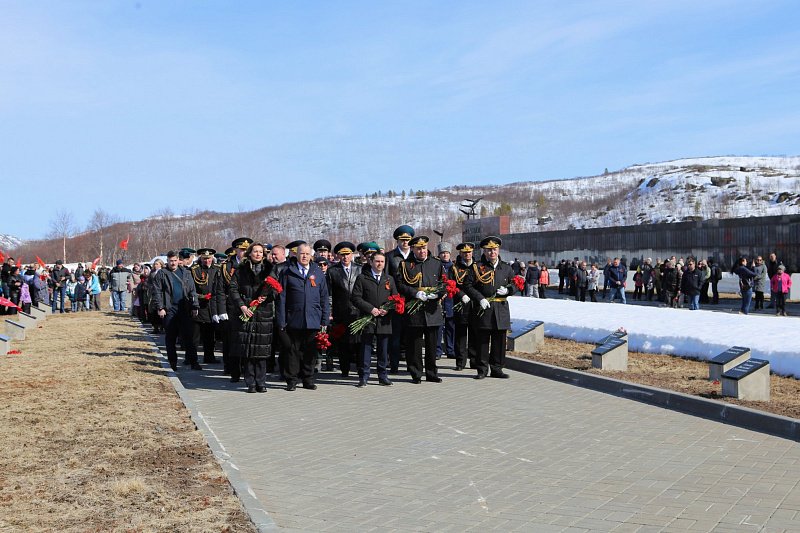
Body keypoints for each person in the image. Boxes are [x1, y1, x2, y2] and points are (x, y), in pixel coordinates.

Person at [276, 243, 330, 391]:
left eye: (307, 254)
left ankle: (308, 379)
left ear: (311, 255)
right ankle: (292, 380)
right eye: (301, 253)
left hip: (313, 319)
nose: (304, 256)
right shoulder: (287, 272)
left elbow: (324, 297)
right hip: (294, 318)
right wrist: (281, 320)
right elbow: (281, 298)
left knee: (310, 352)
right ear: (296, 255)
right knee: (292, 351)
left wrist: (325, 319)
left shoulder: (317, 272)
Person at [463, 236, 516, 380]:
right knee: (482, 341)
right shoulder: (476, 267)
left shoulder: (506, 267)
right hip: (484, 308)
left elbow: (515, 283)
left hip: (501, 308)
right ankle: (482, 369)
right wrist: (479, 298)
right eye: (489, 250)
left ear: (498, 250)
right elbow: (467, 285)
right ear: (484, 252)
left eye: (495, 249)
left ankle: (497, 369)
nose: (492, 252)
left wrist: (509, 290)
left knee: (499, 341)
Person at [229, 243, 280, 393]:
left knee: (261, 351)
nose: (258, 254)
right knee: (248, 350)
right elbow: (233, 289)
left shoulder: (270, 269)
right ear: (249, 253)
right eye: (255, 251)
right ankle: (250, 383)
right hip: (247, 311)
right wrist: (242, 306)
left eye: (260, 252)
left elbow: (276, 289)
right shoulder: (241, 269)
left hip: (263, 313)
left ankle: (261, 382)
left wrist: (267, 296)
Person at [396, 235, 445, 383]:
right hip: (414, 311)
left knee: (432, 345)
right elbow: (400, 284)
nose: (422, 251)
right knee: (414, 345)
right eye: (418, 249)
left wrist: (437, 294)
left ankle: (431, 373)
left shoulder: (436, 263)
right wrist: (415, 293)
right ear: (413, 249)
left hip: (432, 309)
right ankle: (416, 373)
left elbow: (445, 283)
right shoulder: (405, 265)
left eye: (424, 248)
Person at [350, 251, 398, 387]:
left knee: (383, 349)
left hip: (384, 319)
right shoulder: (362, 278)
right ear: (371, 262)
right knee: (366, 348)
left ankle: (382, 376)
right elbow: (356, 298)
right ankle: (364, 376)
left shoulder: (389, 279)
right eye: (377, 261)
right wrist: (370, 309)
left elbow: (395, 297)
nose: (379, 264)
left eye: (382, 262)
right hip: (368, 318)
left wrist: (387, 308)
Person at [151, 251, 201, 371]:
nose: (173, 263)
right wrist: (160, 307)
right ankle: (172, 362)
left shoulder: (186, 273)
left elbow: (192, 290)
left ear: (178, 260)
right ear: (167, 261)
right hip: (169, 309)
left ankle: (193, 361)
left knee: (189, 337)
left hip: (184, 308)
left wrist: (195, 306)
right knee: (171, 337)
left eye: (174, 260)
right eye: (170, 261)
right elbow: (157, 292)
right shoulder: (162, 273)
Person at [326, 241, 362, 377]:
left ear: (352, 254)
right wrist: (330, 311)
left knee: (359, 342)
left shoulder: (360, 269)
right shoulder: (332, 271)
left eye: (348, 254)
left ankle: (360, 368)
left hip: (358, 311)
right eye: (342, 254)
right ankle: (344, 369)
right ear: (338, 255)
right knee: (343, 343)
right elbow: (329, 294)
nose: (345, 257)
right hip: (341, 312)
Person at [385, 225, 414, 374]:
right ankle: (394, 365)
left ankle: (412, 365)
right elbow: (386, 279)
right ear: (397, 240)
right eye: (402, 240)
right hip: (396, 300)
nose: (405, 242)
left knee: (411, 335)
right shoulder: (390, 256)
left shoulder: (415, 256)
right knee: (395, 335)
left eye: (408, 240)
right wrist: (391, 298)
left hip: (413, 300)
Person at [191, 248, 221, 365]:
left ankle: (209, 356)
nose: (207, 261)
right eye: (204, 259)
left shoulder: (217, 268)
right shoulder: (195, 270)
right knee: (196, 335)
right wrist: (201, 297)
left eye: (209, 258)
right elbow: (191, 289)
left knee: (210, 334)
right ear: (201, 258)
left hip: (213, 306)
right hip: (200, 305)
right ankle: (192, 358)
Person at [451, 242, 477, 371]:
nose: (467, 254)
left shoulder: (478, 267)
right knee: (460, 335)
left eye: (469, 252)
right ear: (460, 253)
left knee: (474, 334)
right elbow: (451, 284)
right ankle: (460, 362)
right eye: (464, 252)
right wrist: (461, 295)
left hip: (475, 304)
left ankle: (474, 361)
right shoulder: (455, 268)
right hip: (461, 304)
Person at [436, 243, 456, 360]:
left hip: (450, 299)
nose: (445, 255)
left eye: (447, 253)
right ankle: (437, 350)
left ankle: (450, 349)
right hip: (439, 299)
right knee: (438, 327)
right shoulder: (436, 266)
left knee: (450, 326)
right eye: (443, 253)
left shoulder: (454, 267)